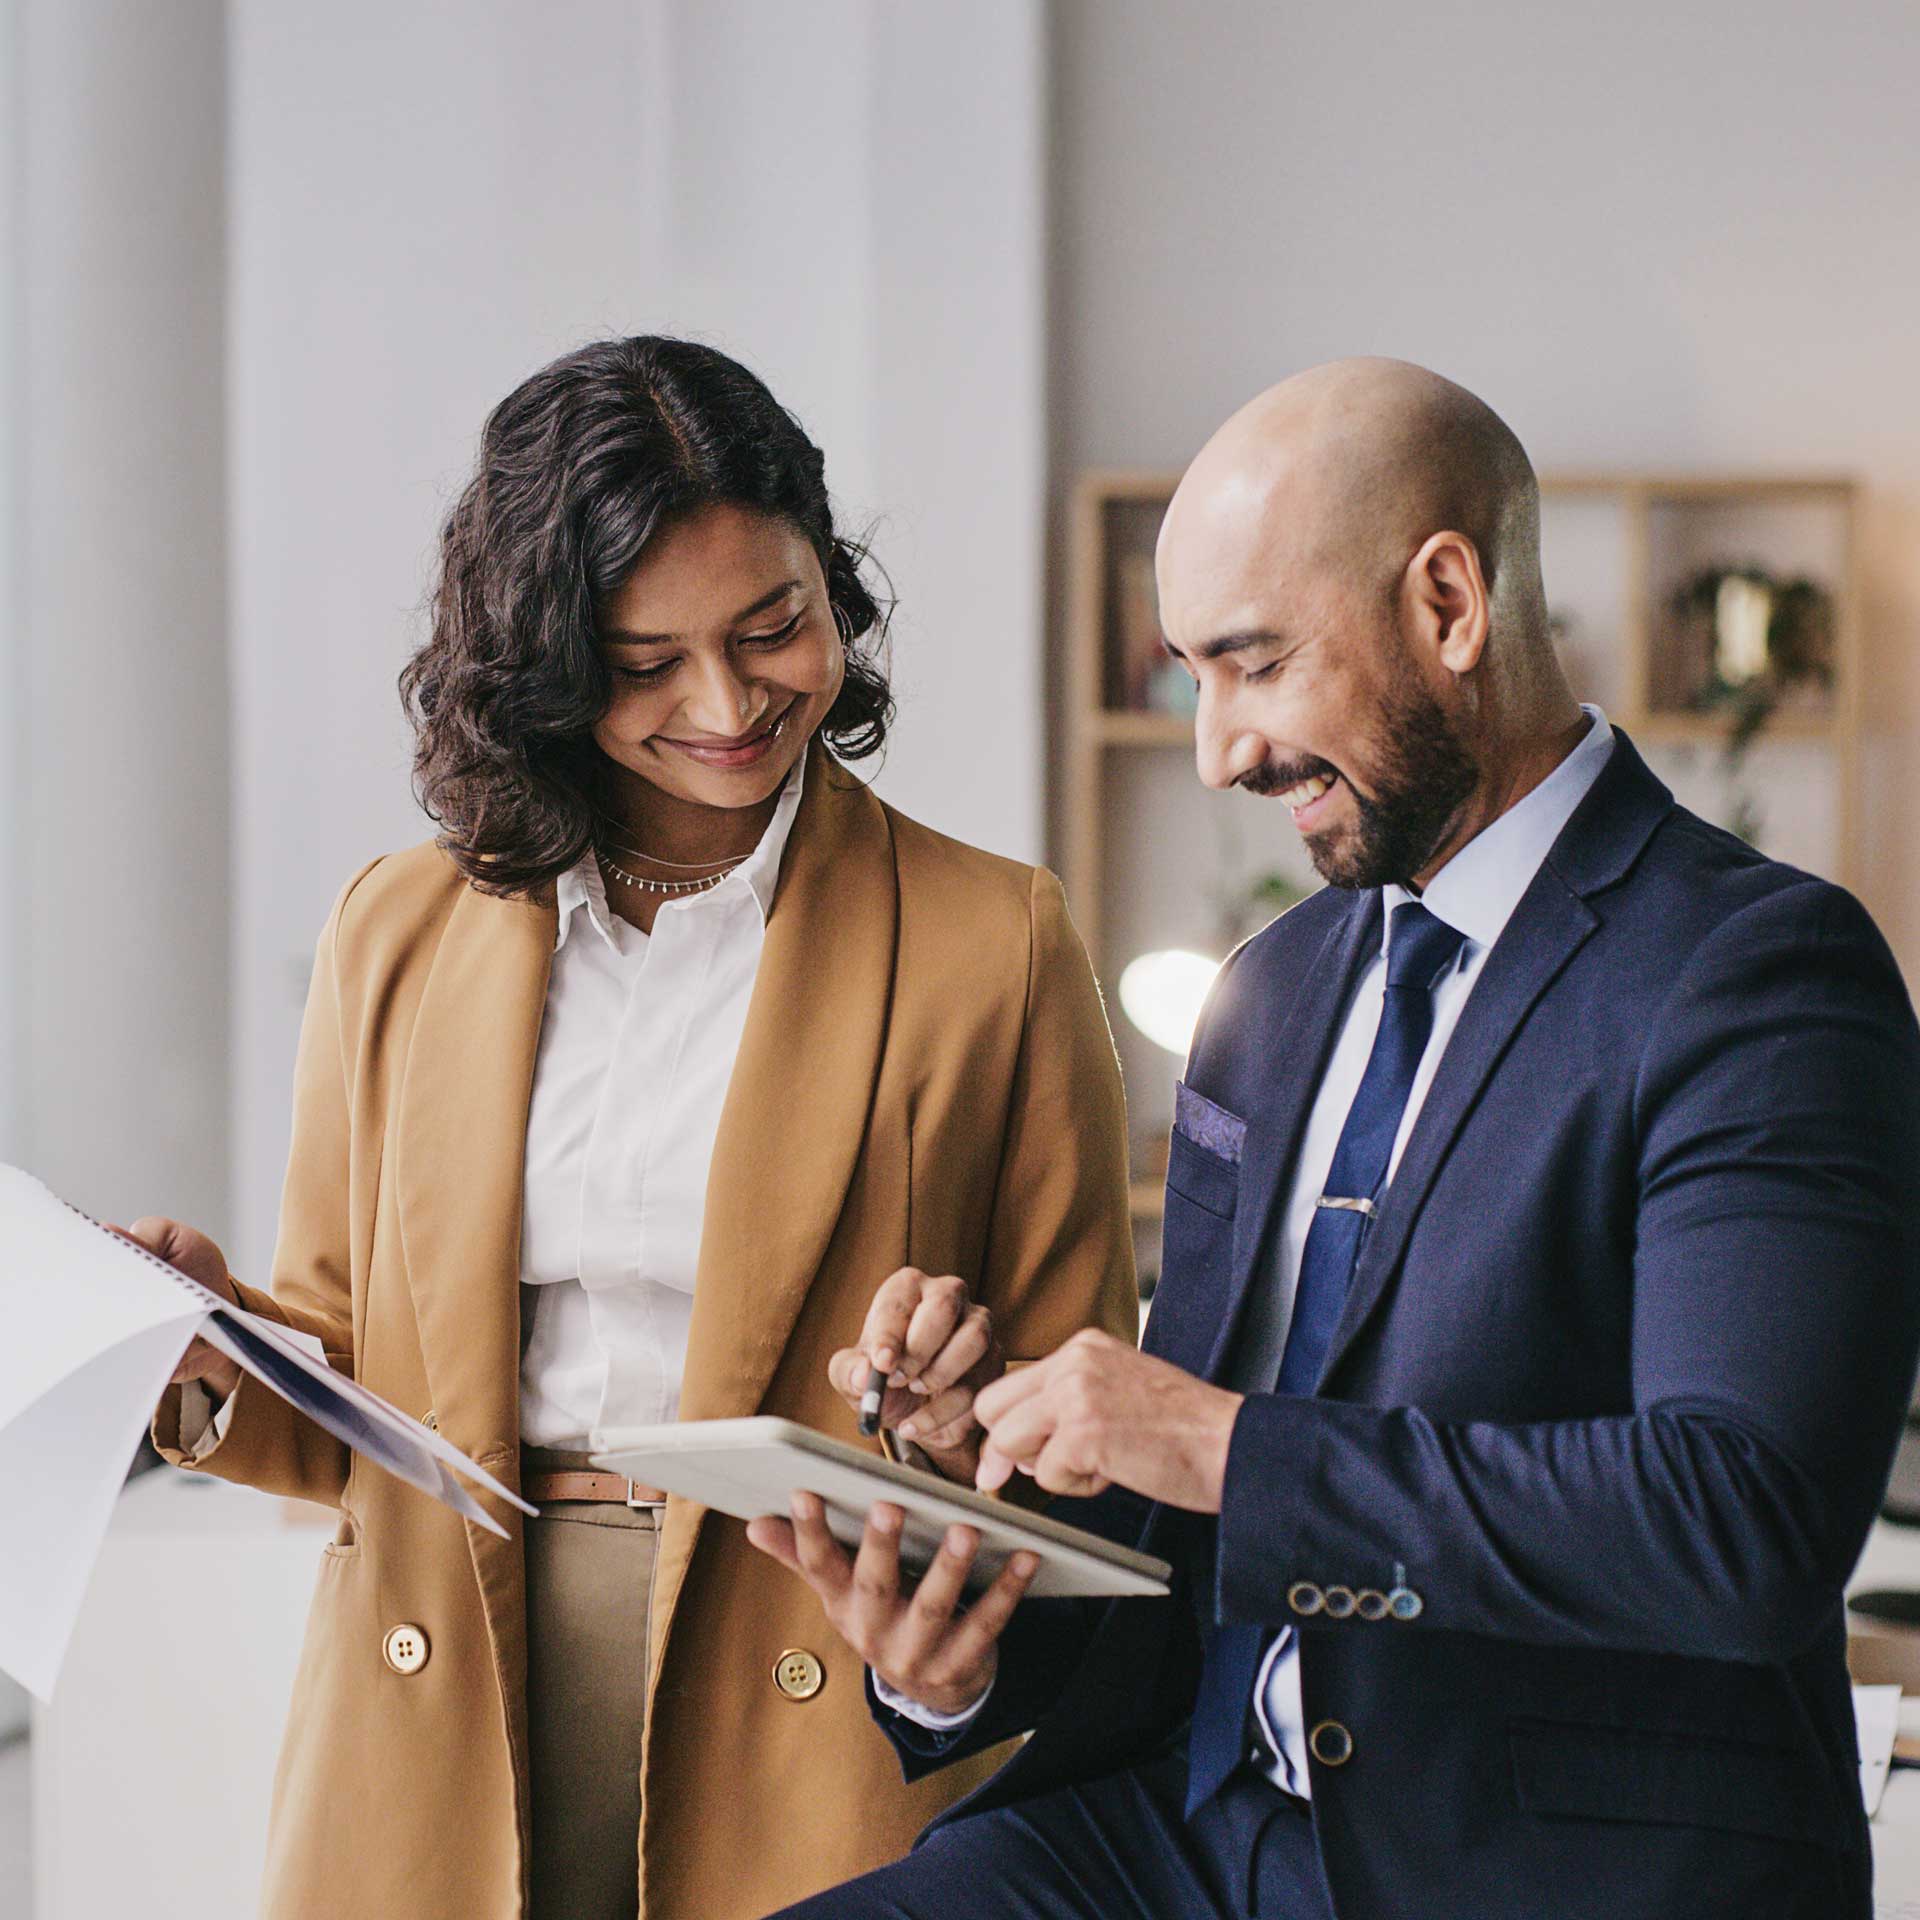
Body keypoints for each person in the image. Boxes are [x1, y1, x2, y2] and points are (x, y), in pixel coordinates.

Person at [751, 358, 1920, 1919]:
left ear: (1450, 602)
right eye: (1190, 677)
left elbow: (1738, 1525)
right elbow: (1207, 1510)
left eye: (1255, 665)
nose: (1217, 753)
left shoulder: (1758, 971)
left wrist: (1209, 1439)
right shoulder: (1272, 991)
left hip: (1550, 1878)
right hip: (1188, 1838)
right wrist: (980, 1551)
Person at [129, 336, 1136, 1920]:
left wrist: (959, 1406)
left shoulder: (990, 938)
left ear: (834, 590)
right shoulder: (396, 929)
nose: (728, 704)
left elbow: (1086, 1429)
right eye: (642, 661)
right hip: (443, 1693)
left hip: (810, 1701)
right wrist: (203, 1356)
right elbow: (344, 1380)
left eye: (772, 627)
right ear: (542, 663)